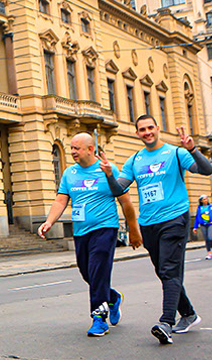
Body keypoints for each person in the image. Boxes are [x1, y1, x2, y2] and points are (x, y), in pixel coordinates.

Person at [107, 115, 212, 345]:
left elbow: (206, 170)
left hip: (175, 218)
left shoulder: (176, 153)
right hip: (148, 224)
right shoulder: (134, 160)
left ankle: (166, 322)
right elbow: (119, 189)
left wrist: (193, 149)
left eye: (150, 128)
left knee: (168, 270)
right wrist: (108, 175)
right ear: (137, 133)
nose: (147, 132)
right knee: (164, 272)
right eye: (142, 129)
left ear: (157, 128)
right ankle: (189, 314)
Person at [39, 133, 141, 337]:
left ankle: (99, 319)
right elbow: (61, 201)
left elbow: (125, 201)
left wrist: (133, 229)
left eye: (77, 148)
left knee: (98, 269)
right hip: (81, 231)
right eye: (72, 148)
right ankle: (112, 297)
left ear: (90, 149)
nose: (73, 152)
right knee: (88, 272)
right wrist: (49, 221)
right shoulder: (69, 173)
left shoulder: (107, 169)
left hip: (105, 228)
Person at [193, 195, 212, 260]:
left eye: (206, 199)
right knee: (206, 239)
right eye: (204, 199)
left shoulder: (211, 207)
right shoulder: (199, 208)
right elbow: (197, 217)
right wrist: (195, 227)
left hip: (210, 224)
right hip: (202, 225)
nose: (205, 200)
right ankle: (209, 252)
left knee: (210, 238)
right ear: (201, 201)